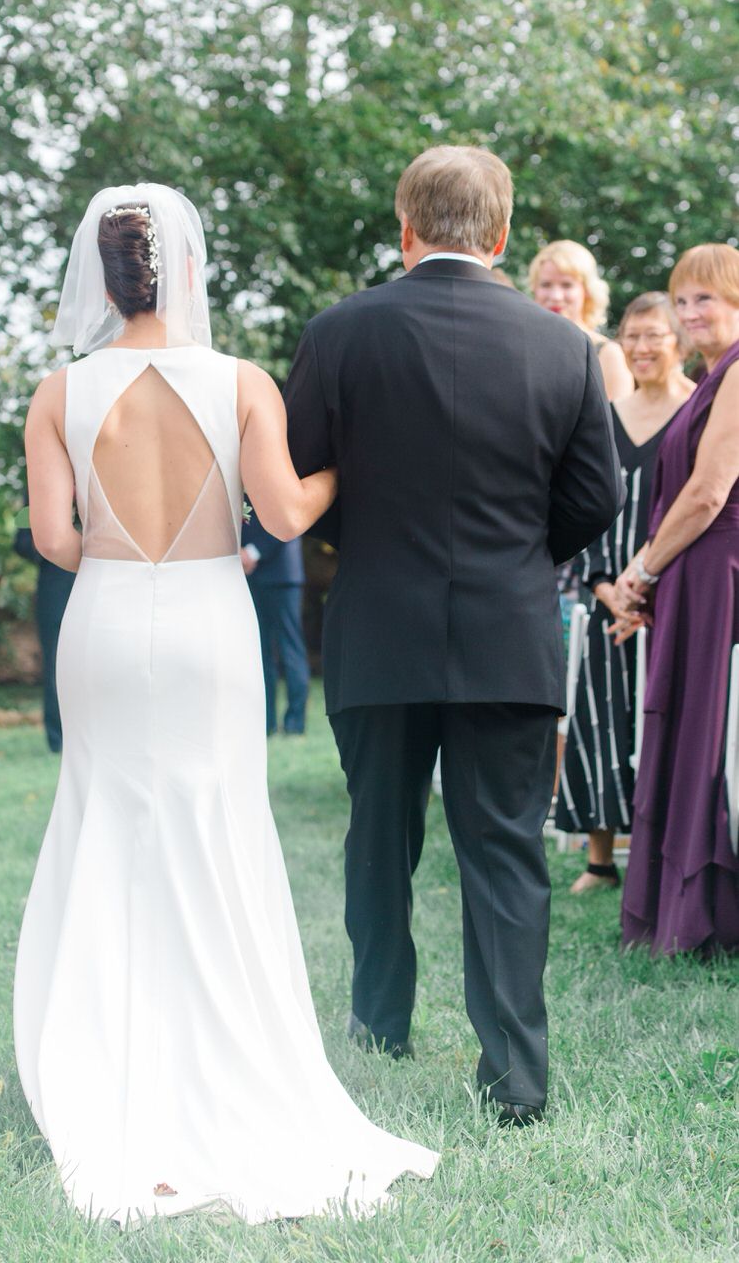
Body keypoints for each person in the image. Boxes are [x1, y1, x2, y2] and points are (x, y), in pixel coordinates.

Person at [14, 184, 438, 1225]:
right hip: (209, 620)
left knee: (108, 820)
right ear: (188, 268)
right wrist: (345, 466)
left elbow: (56, 542)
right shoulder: (241, 381)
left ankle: (107, 1056)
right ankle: (225, 1045)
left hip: (107, 621)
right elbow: (286, 514)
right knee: (214, 823)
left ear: (100, 279)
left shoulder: (56, 392)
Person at [285, 146, 623, 1126]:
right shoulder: (562, 345)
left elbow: (302, 483)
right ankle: (516, 1074)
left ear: (405, 227)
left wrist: (380, 542)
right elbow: (593, 500)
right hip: (511, 631)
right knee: (506, 849)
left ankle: (378, 1021)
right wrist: (517, 558)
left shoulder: (340, 332)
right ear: (504, 235)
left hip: (376, 629)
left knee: (377, 836)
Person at [613, 245, 739, 955]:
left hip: (718, 574)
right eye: (682, 300)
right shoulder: (709, 376)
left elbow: (709, 491)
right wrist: (643, 569)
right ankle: (678, 907)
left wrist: (646, 573)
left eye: (706, 300)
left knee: (709, 739)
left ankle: (707, 914)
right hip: (690, 570)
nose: (691, 313)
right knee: (689, 731)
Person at [557, 293, 694, 892]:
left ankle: (664, 855)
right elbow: (577, 505)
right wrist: (606, 586)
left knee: (666, 726)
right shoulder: (604, 417)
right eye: (632, 336)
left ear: (679, 342)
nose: (640, 347)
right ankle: (600, 859)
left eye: (654, 336)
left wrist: (652, 592)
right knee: (600, 719)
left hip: (676, 599)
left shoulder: (700, 412)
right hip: (608, 596)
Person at [529, 239, 634, 401]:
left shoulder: (607, 354)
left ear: (586, 290)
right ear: (534, 288)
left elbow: (619, 422)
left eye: (566, 285)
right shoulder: (525, 347)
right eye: (546, 285)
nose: (556, 296)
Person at [240, 507, 310, 735]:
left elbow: (288, 518)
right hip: (248, 575)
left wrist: (252, 552)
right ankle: (266, 721)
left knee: (290, 649)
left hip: (282, 573)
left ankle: (294, 723)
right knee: (259, 652)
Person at [12, 523, 73, 753]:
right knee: (55, 662)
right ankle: (58, 738)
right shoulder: (37, 487)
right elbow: (22, 543)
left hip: (108, 578)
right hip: (55, 585)